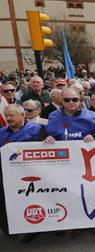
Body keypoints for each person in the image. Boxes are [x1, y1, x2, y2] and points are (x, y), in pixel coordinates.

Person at [0, 104, 44, 243]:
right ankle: (11, 228)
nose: (8, 118)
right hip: (7, 175)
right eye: (7, 115)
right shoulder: (1, 132)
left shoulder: (37, 129)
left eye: (12, 115)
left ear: (22, 115)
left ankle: (37, 229)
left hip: (31, 174)